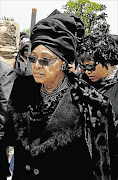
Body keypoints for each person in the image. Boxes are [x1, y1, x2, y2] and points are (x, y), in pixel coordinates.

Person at [0, 10, 116, 180]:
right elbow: (7, 137)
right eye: (33, 59)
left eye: (45, 60)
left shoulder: (92, 103)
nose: (37, 66)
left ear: (64, 61)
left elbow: (104, 166)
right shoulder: (21, 89)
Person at [78, 32, 118, 180]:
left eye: (91, 67)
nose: (87, 72)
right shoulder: (81, 84)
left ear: (107, 61)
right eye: (83, 68)